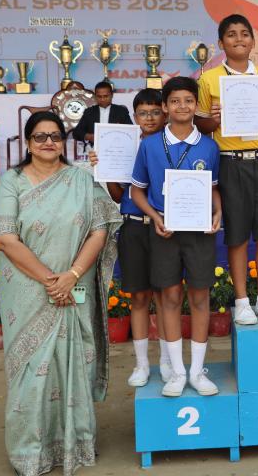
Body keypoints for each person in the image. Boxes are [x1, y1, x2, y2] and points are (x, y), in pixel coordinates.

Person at [0, 111, 122, 475]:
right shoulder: (12, 181)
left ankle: (74, 445)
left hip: (73, 283)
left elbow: (101, 229)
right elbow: (4, 238)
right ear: (28, 142)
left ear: (64, 141)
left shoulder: (81, 178)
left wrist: (72, 275)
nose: (48, 142)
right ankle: (29, 453)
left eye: (55, 136)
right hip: (27, 288)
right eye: (40, 136)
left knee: (73, 362)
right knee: (31, 369)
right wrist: (52, 280)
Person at [131, 77, 223, 397]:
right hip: (165, 231)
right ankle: (177, 372)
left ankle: (197, 371)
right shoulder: (150, 145)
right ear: (165, 106)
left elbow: (213, 188)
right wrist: (155, 217)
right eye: (174, 101)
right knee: (169, 297)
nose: (182, 106)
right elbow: (137, 191)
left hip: (199, 232)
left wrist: (218, 212)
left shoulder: (209, 146)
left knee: (199, 297)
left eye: (188, 100)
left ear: (196, 105)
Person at [195, 14, 258, 326]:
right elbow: (201, 124)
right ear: (221, 43)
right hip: (231, 162)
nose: (239, 39)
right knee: (237, 236)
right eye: (231, 34)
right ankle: (242, 301)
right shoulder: (209, 80)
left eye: (244, 34)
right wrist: (215, 119)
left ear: (252, 40)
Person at [88, 89, 173, 387]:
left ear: (164, 113)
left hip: (165, 228)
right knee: (139, 297)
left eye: (155, 112)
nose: (149, 118)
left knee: (165, 296)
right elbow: (117, 195)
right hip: (134, 226)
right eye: (143, 113)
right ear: (134, 117)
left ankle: (167, 361)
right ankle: (141, 364)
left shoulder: (171, 145)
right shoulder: (124, 146)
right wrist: (104, 166)